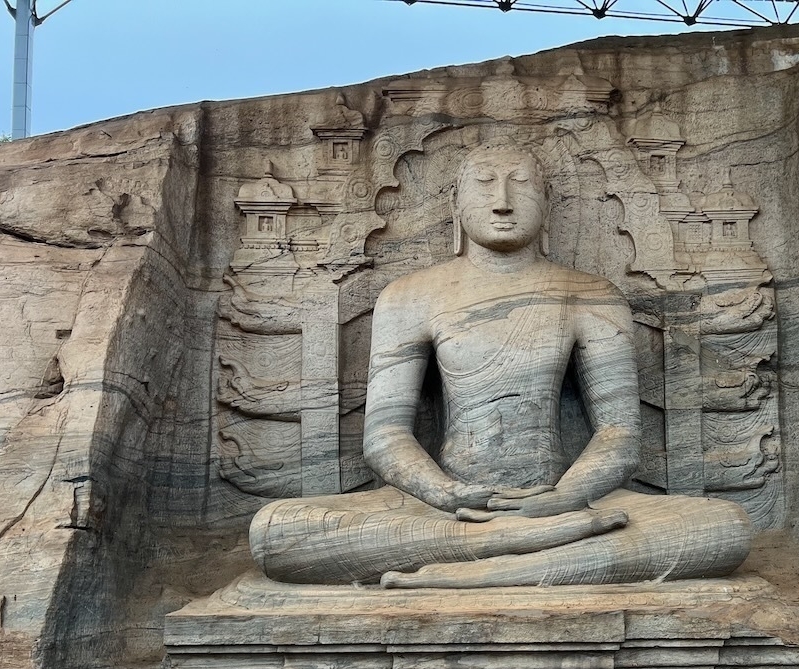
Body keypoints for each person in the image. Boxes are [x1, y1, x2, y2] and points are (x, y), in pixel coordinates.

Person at [248, 144, 752, 588]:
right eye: (485, 184)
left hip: (565, 501)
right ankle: (525, 551)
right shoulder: (410, 297)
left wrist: (561, 499)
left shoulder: (590, 295)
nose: (504, 200)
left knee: (723, 529)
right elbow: (385, 438)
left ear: (547, 205)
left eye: (522, 184)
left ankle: (490, 562)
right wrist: (444, 493)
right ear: (456, 204)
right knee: (278, 532)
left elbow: (619, 435)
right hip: (444, 509)